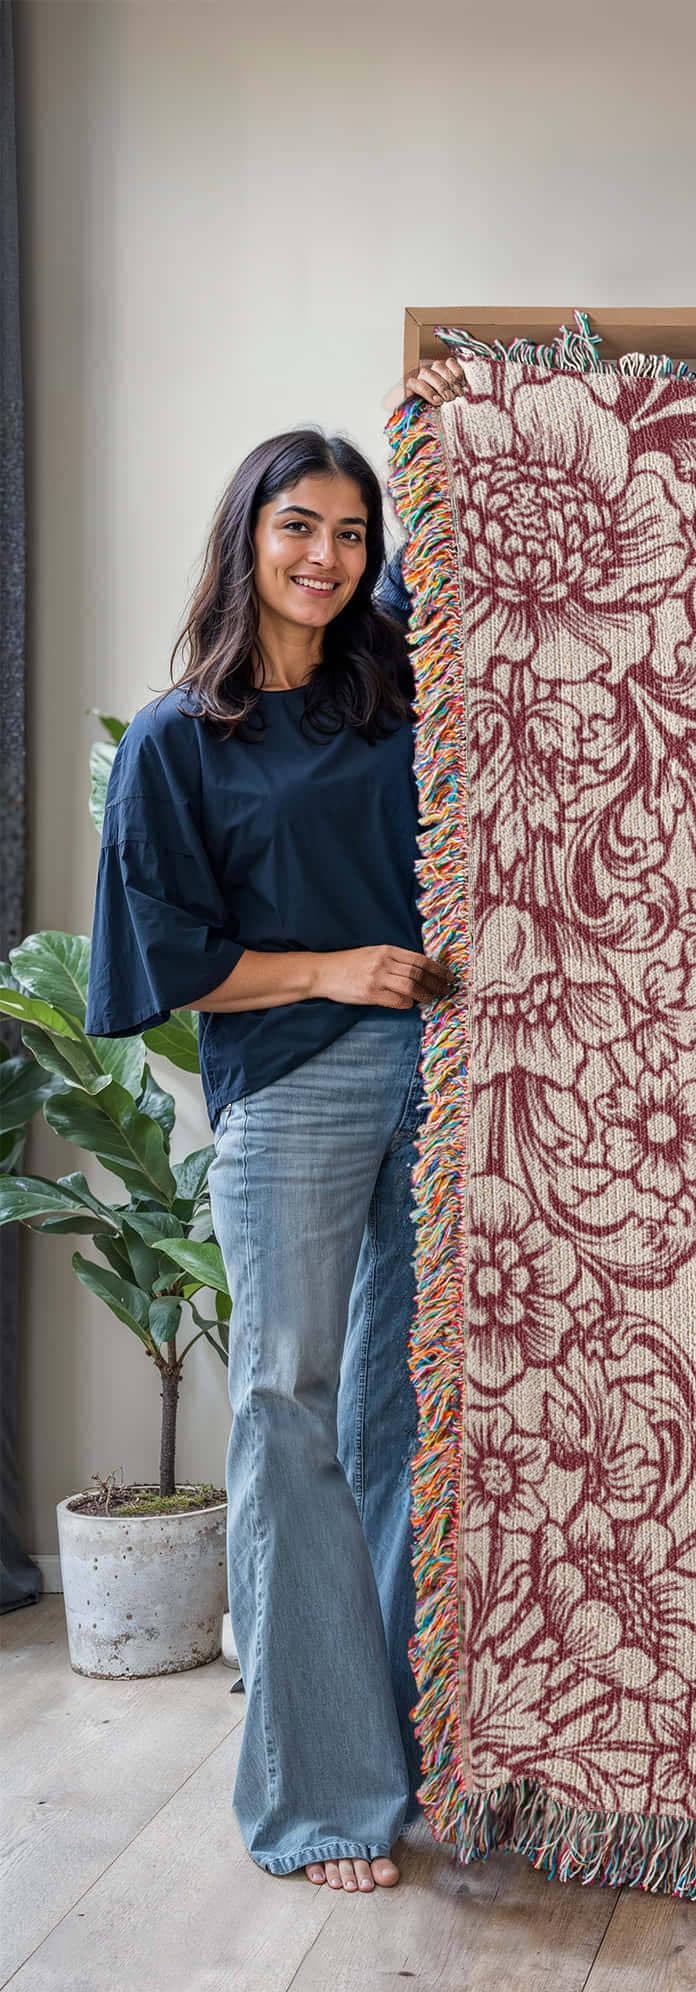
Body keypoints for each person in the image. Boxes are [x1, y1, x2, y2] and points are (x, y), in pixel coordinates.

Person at [84, 394, 457, 1891]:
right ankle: (318, 1798)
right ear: (245, 536)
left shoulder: (399, 685)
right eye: (298, 525)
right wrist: (335, 970)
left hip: (446, 1079)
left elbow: (479, 550)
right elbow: (164, 961)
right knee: (286, 1409)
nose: (327, 555)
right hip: (294, 1089)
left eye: (352, 532)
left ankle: (406, 1753)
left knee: (409, 1415)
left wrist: (447, 429)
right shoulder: (180, 739)